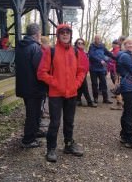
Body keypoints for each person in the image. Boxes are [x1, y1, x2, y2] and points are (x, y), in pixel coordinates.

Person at [37, 23, 88, 163]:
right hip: (55, 94)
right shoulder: (51, 51)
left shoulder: (76, 52)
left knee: (69, 121)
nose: (65, 34)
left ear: (71, 35)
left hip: (71, 93)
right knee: (54, 122)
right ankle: (51, 148)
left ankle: (69, 144)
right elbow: (41, 73)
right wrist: (55, 83)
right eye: (62, 32)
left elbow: (81, 71)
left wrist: (76, 85)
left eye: (67, 32)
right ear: (58, 35)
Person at [15, 23, 47, 148]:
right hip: (34, 87)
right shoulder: (35, 47)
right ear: (37, 34)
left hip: (23, 85)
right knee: (33, 114)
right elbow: (39, 69)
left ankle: (35, 131)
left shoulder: (20, 46)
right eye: (40, 33)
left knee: (32, 112)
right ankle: (28, 140)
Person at [88, 35, 114, 104]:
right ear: (94, 39)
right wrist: (100, 60)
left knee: (104, 83)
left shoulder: (102, 46)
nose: (98, 40)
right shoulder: (92, 47)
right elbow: (91, 56)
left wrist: (115, 57)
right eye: (97, 39)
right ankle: (95, 98)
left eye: (99, 39)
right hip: (93, 69)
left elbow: (108, 53)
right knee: (94, 84)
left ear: (100, 39)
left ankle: (105, 99)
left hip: (101, 69)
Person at [75, 38, 97, 108]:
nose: (80, 44)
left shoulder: (84, 52)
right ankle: (89, 102)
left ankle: (78, 100)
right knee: (85, 88)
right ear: (76, 44)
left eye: (82, 43)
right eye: (79, 43)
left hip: (84, 73)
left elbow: (86, 62)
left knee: (81, 87)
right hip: (78, 73)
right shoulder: (75, 52)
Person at [109, 39, 124, 110]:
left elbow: (115, 61)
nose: (113, 45)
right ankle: (120, 103)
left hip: (118, 72)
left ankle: (119, 104)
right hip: (117, 71)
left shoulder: (118, 51)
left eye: (114, 44)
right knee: (118, 87)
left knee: (117, 87)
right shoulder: (115, 50)